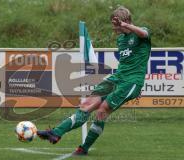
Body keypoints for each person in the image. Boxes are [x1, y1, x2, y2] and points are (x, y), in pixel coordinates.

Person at [37, 6, 151, 155]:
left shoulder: (141, 33)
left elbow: (144, 33)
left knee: (102, 110)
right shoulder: (121, 40)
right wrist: (122, 28)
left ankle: (84, 148)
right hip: (117, 78)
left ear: (127, 21)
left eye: (116, 24)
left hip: (131, 81)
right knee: (87, 104)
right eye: (113, 24)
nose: (114, 27)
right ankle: (56, 133)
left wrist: (126, 26)